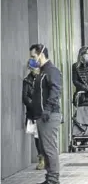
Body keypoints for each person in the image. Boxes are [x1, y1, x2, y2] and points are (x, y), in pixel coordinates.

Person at [30, 44, 62, 184]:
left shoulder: (51, 71)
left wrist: (48, 109)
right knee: (44, 148)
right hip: (41, 116)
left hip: (49, 115)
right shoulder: (41, 72)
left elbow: (56, 91)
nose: (31, 60)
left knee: (49, 149)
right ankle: (49, 178)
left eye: (33, 56)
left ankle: (53, 179)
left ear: (41, 55)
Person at [22, 60, 44, 170]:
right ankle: (41, 158)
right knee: (37, 136)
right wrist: (34, 106)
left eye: (36, 68)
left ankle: (47, 157)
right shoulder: (27, 81)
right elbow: (25, 97)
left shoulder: (43, 79)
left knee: (45, 136)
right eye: (32, 69)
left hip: (44, 111)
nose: (35, 71)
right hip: (33, 113)